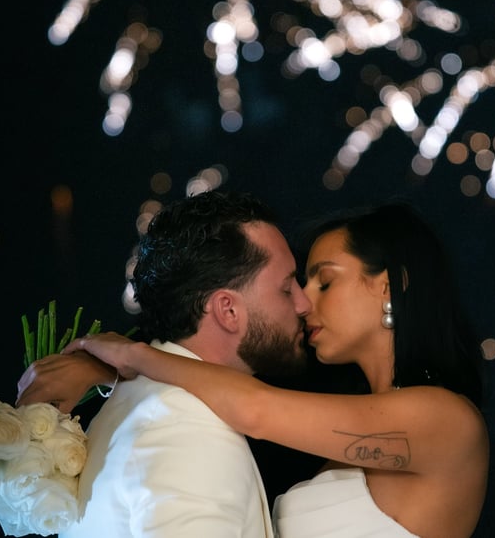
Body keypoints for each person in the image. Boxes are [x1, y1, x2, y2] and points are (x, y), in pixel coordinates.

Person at [19, 199, 490, 538]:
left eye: (325, 281)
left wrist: (132, 357)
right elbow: (234, 385)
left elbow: (256, 409)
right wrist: (110, 374)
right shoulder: (349, 412)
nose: (304, 303)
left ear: (389, 287)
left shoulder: (448, 421)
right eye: (298, 284)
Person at [18, 190, 312, 537]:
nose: (304, 303)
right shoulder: (187, 433)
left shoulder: (137, 399)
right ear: (228, 310)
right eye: (286, 287)